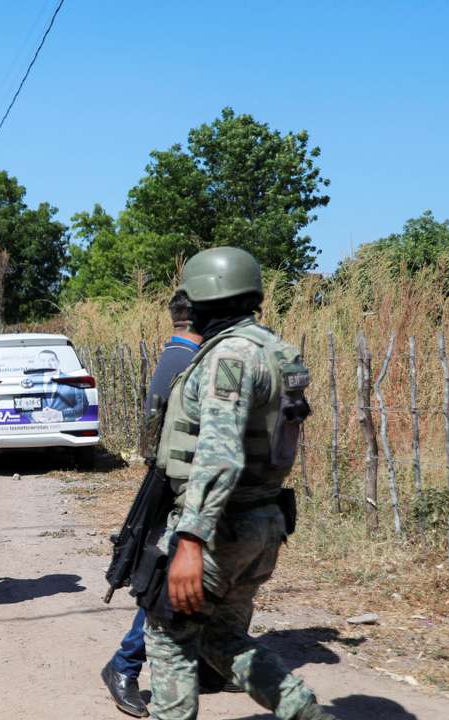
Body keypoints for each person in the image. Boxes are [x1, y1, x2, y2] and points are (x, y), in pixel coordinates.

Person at [144, 247, 335, 720]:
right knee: (221, 638)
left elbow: (220, 452)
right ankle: (306, 712)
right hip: (263, 522)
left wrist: (190, 538)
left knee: (168, 633)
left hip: (219, 528)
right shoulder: (273, 349)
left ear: (204, 298)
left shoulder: (229, 355)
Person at [102, 292, 240, 717]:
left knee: (188, 582)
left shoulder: (177, 353)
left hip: (178, 483)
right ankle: (125, 665)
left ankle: (202, 662)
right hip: (179, 488)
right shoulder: (190, 358)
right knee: (168, 585)